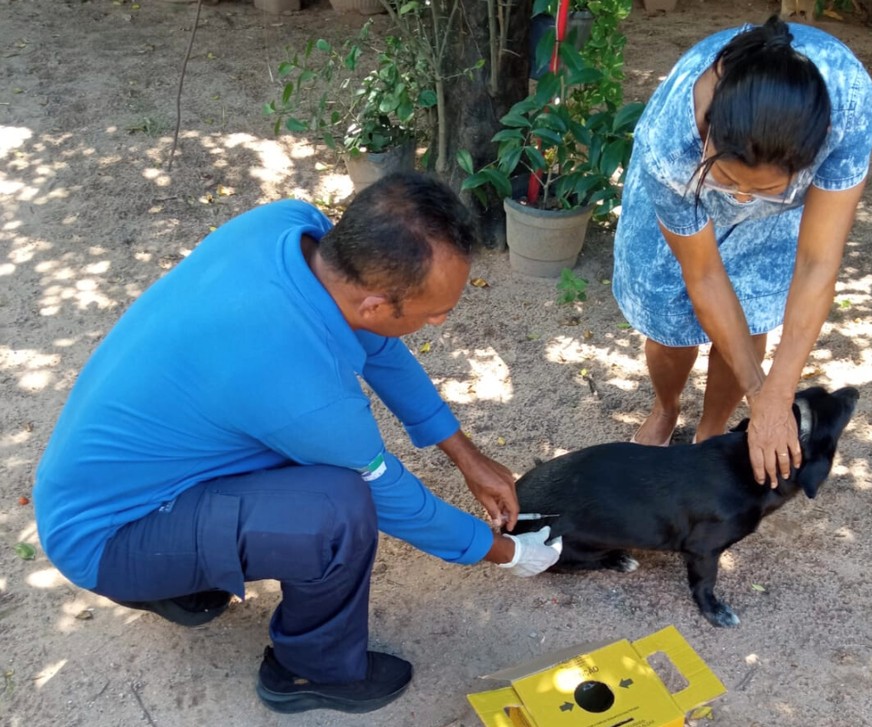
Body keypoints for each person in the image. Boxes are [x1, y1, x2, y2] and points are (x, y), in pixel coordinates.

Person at [32, 172, 562, 715]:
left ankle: (184, 581)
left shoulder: (287, 227)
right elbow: (392, 498)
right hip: (108, 538)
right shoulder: (304, 392)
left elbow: (373, 344)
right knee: (338, 508)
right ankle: (312, 671)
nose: (442, 319)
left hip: (107, 483)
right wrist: (504, 551)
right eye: (434, 312)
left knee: (301, 472)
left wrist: (465, 455)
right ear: (378, 305)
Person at [612, 16, 872, 486]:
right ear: (709, 130)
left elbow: (817, 264)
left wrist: (778, 393)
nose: (738, 199)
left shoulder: (849, 110)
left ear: (806, 162)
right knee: (669, 321)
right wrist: (762, 392)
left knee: (752, 311)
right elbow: (704, 275)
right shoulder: (669, 146)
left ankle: (711, 432)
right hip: (687, 185)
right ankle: (666, 408)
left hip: (773, 198)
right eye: (729, 179)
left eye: (761, 188)